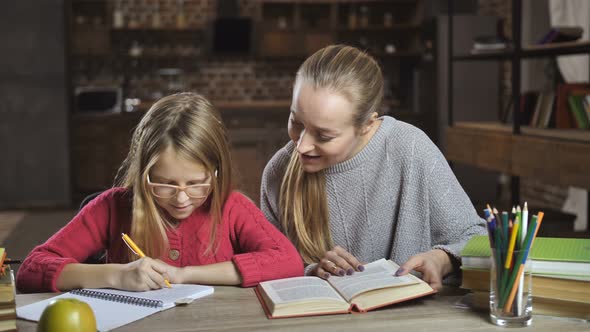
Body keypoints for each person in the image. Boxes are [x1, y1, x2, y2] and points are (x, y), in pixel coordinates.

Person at [17, 92, 303, 293]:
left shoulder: (231, 207)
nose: (181, 198)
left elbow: (289, 261)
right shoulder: (112, 207)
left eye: (195, 184)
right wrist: (116, 275)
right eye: (164, 183)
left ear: (216, 171)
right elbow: (32, 269)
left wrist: (185, 275)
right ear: (144, 174)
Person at [260, 44, 486, 290]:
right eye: (296, 122)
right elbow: (269, 263)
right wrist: (312, 270)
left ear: (367, 125)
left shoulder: (410, 148)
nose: (302, 147)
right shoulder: (278, 172)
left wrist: (443, 259)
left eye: (324, 136)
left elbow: (477, 238)